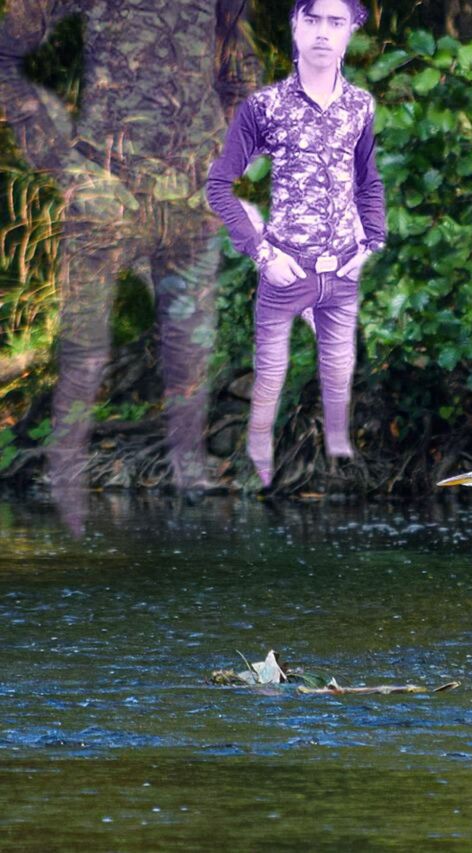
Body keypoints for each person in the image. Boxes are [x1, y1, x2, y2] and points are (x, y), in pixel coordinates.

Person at [0, 0, 261, 498]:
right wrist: (68, 169)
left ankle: (191, 479)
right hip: (104, 196)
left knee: (191, 350)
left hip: (187, 201)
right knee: (83, 355)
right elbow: (6, 58)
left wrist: (221, 163)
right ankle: (61, 483)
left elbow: (240, 72)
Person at [207, 0, 386, 488]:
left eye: (336, 22)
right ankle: (260, 463)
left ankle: (341, 466)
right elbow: (219, 186)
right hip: (286, 267)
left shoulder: (360, 107)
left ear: (350, 33)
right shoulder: (265, 108)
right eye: (312, 20)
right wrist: (262, 253)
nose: (323, 33)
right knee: (270, 373)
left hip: (343, 269)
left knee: (340, 369)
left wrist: (371, 244)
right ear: (295, 26)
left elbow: (368, 181)